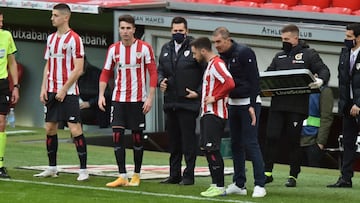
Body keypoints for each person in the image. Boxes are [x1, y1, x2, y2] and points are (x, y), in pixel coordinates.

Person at [264, 24, 330, 187]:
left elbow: (324, 70)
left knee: (293, 141)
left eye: (286, 39)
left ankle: (293, 175)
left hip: (296, 106)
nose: (284, 42)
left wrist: (320, 81)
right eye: (282, 39)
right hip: (278, 105)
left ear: (295, 38)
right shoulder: (278, 57)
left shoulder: (309, 54)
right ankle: (267, 172)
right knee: (272, 137)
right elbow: (267, 74)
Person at [98, 14, 157, 187]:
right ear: (119, 29)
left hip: (138, 100)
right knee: (117, 135)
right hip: (118, 100)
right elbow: (106, 72)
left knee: (137, 138)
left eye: (128, 28)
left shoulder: (144, 48)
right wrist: (101, 94)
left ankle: (136, 175)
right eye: (122, 28)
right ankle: (122, 175)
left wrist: (150, 98)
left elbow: (153, 73)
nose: (125, 31)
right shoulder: (114, 49)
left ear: (134, 30)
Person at [34, 3, 89, 181]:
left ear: (66, 17)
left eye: (55, 15)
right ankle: (52, 167)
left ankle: (83, 170)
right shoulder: (50, 39)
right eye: (52, 15)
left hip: (69, 92)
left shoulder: (75, 39)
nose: (52, 18)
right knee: (50, 128)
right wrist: (43, 87)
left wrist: (64, 89)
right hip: (51, 90)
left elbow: (78, 68)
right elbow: (48, 64)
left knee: (75, 128)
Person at [212, 27, 266, 197]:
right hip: (233, 103)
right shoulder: (221, 57)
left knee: (251, 143)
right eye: (214, 42)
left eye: (219, 42)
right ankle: (239, 183)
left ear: (228, 40)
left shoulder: (244, 52)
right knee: (235, 144)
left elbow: (254, 79)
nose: (217, 45)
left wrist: (251, 104)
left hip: (248, 103)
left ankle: (260, 184)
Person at [158, 16, 204, 186]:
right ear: (171, 31)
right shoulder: (166, 48)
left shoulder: (195, 48)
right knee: (174, 142)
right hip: (170, 102)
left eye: (181, 31)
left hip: (187, 102)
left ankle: (189, 175)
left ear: (187, 31)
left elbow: (206, 73)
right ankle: (174, 174)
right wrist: (160, 81)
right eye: (175, 31)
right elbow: (160, 70)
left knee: (188, 142)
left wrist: (198, 93)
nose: (177, 33)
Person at [190, 37, 235, 197]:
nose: (194, 57)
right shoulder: (210, 65)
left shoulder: (217, 64)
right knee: (207, 149)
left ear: (203, 51)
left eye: (195, 53)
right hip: (207, 113)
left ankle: (220, 186)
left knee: (212, 148)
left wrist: (215, 97)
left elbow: (229, 83)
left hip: (215, 114)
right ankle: (215, 183)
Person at [327, 23, 360, 188]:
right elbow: (343, 82)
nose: (346, 40)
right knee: (348, 142)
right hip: (347, 105)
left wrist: (359, 104)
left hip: (358, 104)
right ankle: (345, 178)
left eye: (349, 37)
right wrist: (345, 104)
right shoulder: (345, 53)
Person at [0, 10, 20, 178]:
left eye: (1, 21)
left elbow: (12, 62)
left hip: (2, 84)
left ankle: (0, 164)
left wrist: (16, 86)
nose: (1, 24)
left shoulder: (6, 36)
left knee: (1, 124)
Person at [300, 85, 334, 167]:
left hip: (313, 141)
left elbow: (326, 118)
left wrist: (320, 142)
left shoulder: (324, 91)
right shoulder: (300, 88)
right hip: (297, 139)